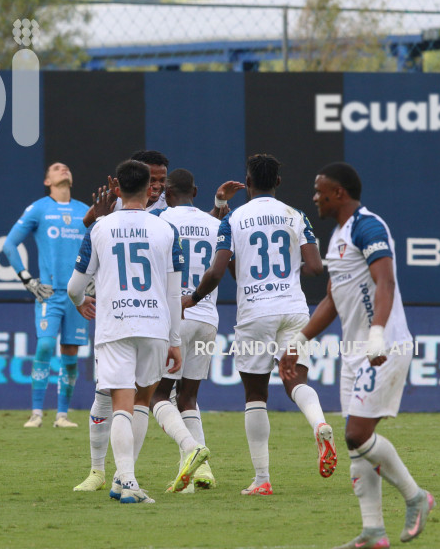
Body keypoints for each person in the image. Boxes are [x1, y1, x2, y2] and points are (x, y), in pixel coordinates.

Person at [73, 151, 242, 492]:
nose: (157, 186)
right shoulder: (146, 220)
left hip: (120, 321)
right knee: (113, 399)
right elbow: (173, 282)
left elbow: (80, 275)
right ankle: (99, 471)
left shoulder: (163, 219)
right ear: (138, 180)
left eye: (162, 181)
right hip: (155, 320)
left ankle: (124, 476)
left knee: (131, 400)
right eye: (152, 179)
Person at [294, 162, 434, 549]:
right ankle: (373, 530)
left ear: (338, 193)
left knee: (357, 434)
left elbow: (385, 281)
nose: (315, 197)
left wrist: (376, 335)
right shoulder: (338, 235)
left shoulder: (367, 226)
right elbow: (334, 298)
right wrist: (300, 339)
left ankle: (415, 496)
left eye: (320, 190)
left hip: (382, 347)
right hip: (354, 352)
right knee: (356, 444)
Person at [182, 154, 336, 496]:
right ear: (277, 183)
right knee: (296, 381)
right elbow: (313, 267)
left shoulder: (234, 219)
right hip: (294, 309)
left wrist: (191, 299)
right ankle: (320, 423)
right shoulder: (296, 216)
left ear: (248, 183)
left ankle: (262, 479)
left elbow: (217, 271)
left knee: (256, 395)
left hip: (255, 312)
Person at [148, 168, 238, 492]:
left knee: (158, 395)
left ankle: (191, 449)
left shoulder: (159, 223)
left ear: (166, 193)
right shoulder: (217, 224)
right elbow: (228, 267)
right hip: (207, 319)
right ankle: (204, 472)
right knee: (188, 397)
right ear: (195, 192)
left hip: (176, 316)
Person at [3, 162, 90, 429]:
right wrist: (27, 279)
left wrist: (95, 280)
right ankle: (36, 413)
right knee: (44, 345)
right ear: (47, 181)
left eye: (66, 168)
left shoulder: (85, 211)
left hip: (78, 294)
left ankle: (62, 415)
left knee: (71, 351)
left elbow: (99, 248)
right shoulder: (39, 208)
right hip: (49, 292)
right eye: (56, 168)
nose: (64, 169)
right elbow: (9, 245)